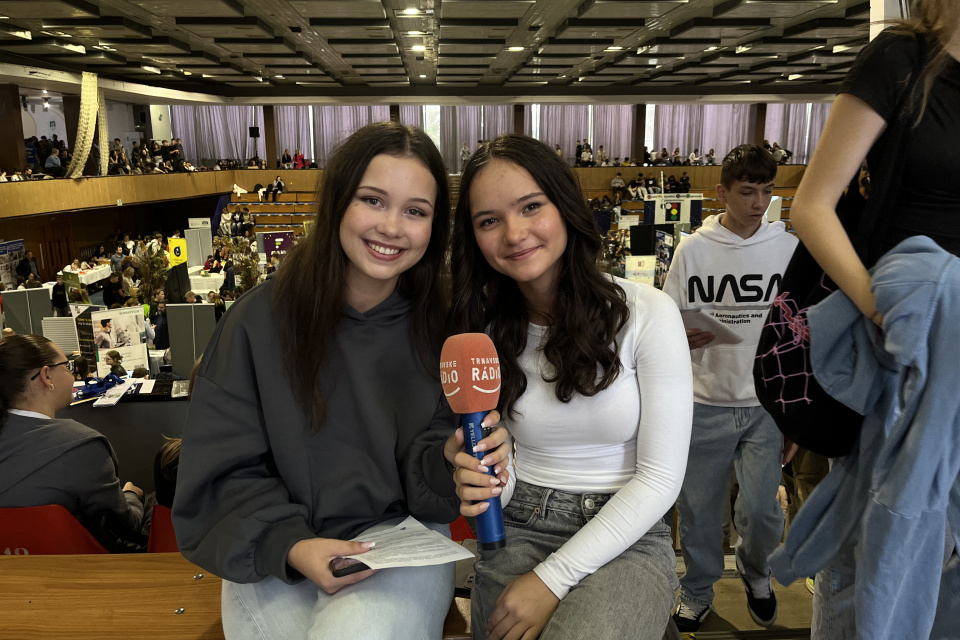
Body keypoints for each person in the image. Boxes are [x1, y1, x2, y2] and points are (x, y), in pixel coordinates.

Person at [172, 121, 510, 640]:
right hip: (273, 545)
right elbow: (221, 472)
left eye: (415, 211)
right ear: (336, 204)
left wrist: (450, 462)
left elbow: (431, 485)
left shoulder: (445, 328)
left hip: (400, 542)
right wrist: (293, 545)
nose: (392, 226)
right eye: (373, 200)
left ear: (434, 228)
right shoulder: (255, 323)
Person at [449, 134, 692, 640]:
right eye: (489, 220)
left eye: (531, 207)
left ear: (564, 207)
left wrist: (551, 579)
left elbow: (661, 480)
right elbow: (512, 465)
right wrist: (486, 476)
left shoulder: (647, 314)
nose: (514, 233)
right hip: (519, 523)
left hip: (626, 530)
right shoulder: (487, 333)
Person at [782, 3, 960, 636]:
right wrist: (881, 310)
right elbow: (812, 206)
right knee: (872, 554)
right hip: (899, 352)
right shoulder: (903, 60)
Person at [662, 145, 798, 632]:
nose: (759, 201)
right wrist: (681, 334)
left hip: (764, 405)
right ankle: (697, 588)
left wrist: (793, 411)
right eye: (747, 192)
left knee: (762, 511)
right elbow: (666, 323)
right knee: (699, 512)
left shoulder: (788, 248)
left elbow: (797, 332)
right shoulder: (693, 249)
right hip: (703, 402)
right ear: (722, 192)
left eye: (767, 190)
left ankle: (755, 572)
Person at [0, 335, 148, 547]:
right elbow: (124, 525)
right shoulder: (82, 444)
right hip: (72, 570)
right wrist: (132, 495)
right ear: (46, 376)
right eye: (66, 366)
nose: (71, 375)